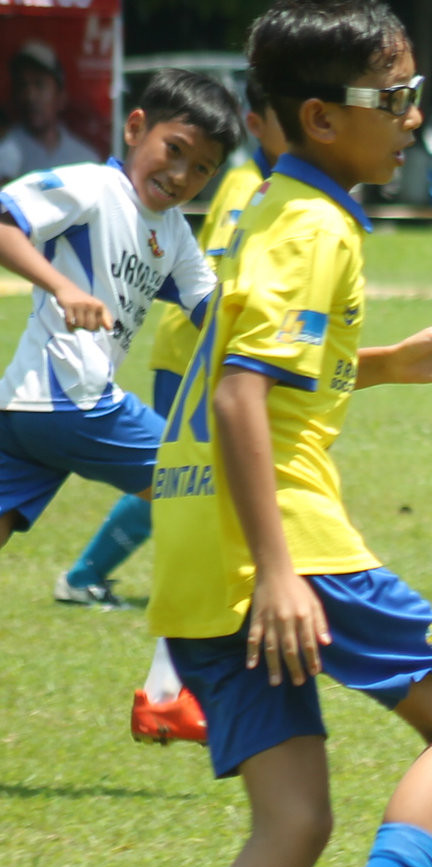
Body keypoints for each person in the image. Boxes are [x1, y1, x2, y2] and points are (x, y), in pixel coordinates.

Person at [123, 0, 432, 867]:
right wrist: (283, 571)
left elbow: (237, 360)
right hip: (282, 547)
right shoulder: (313, 228)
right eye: (395, 98)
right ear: (321, 118)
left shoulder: (267, 211)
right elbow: (240, 395)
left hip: (197, 553)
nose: (413, 116)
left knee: (293, 818)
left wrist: (388, 362)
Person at [53, 78, 291, 748]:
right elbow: (211, 275)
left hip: (223, 356)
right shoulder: (245, 186)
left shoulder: (264, 185)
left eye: (199, 165)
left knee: (189, 495)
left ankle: (165, 687)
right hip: (192, 361)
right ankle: (152, 669)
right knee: (192, 491)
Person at [0, 72, 236, 567]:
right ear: (135, 128)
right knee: (205, 482)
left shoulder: (173, 232)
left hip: (24, 407)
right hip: (74, 400)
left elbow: (215, 313)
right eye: (174, 150)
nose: (180, 175)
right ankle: (235, 611)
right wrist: (63, 287)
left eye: (201, 168)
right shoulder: (94, 187)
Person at [0, 40, 101, 180]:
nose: (30, 96)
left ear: (60, 96)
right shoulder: (5, 152)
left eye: (39, 85)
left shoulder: (84, 160)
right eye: (23, 85)